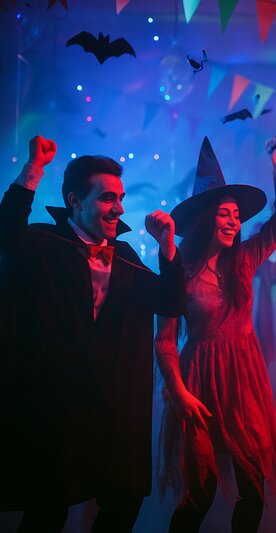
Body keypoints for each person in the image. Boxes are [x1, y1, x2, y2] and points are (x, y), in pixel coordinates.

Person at [0, 136, 184, 532]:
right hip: (54, 406)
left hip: (109, 407)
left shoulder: (127, 258)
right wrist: (34, 168)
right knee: (47, 507)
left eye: (119, 197)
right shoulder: (42, 242)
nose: (118, 208)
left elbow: (170, 301)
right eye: (106, 198)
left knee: (125, 497)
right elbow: (5, 233)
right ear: (74, 201)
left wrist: (167, 247)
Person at [155, 134, 276, 532]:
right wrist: (178, 391)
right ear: (205, 220)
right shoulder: (177, 270)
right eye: (224, 213)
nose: (235, 221)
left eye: (237, 214)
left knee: (253, 486)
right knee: (201, 491)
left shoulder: (245, 260)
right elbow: (164, 339)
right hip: (198, 380)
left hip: (243, 378)